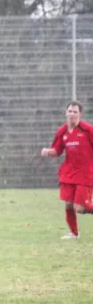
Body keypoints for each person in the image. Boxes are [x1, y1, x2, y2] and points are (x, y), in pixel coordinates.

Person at [41, 101, 93, 239]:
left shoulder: (88, 130)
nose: (72, 114)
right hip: (69, 173)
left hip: (85, 173)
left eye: (75, 112)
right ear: (66, 113)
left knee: (80, 208)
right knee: (68, 204)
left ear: (79, 114)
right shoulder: (62, 131)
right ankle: (74, 233)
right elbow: (57, 151)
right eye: (70, 111)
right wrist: (47, 151)